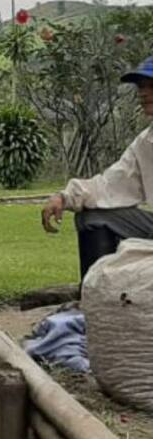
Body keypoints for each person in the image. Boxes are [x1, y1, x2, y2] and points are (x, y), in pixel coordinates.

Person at [41, 56, 153, 279]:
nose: (143, 93)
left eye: (151, 86)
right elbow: (110, 184)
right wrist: (64, 197)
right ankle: (95, 292)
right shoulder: (146, 142)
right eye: (141, 87)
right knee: (92, 217)